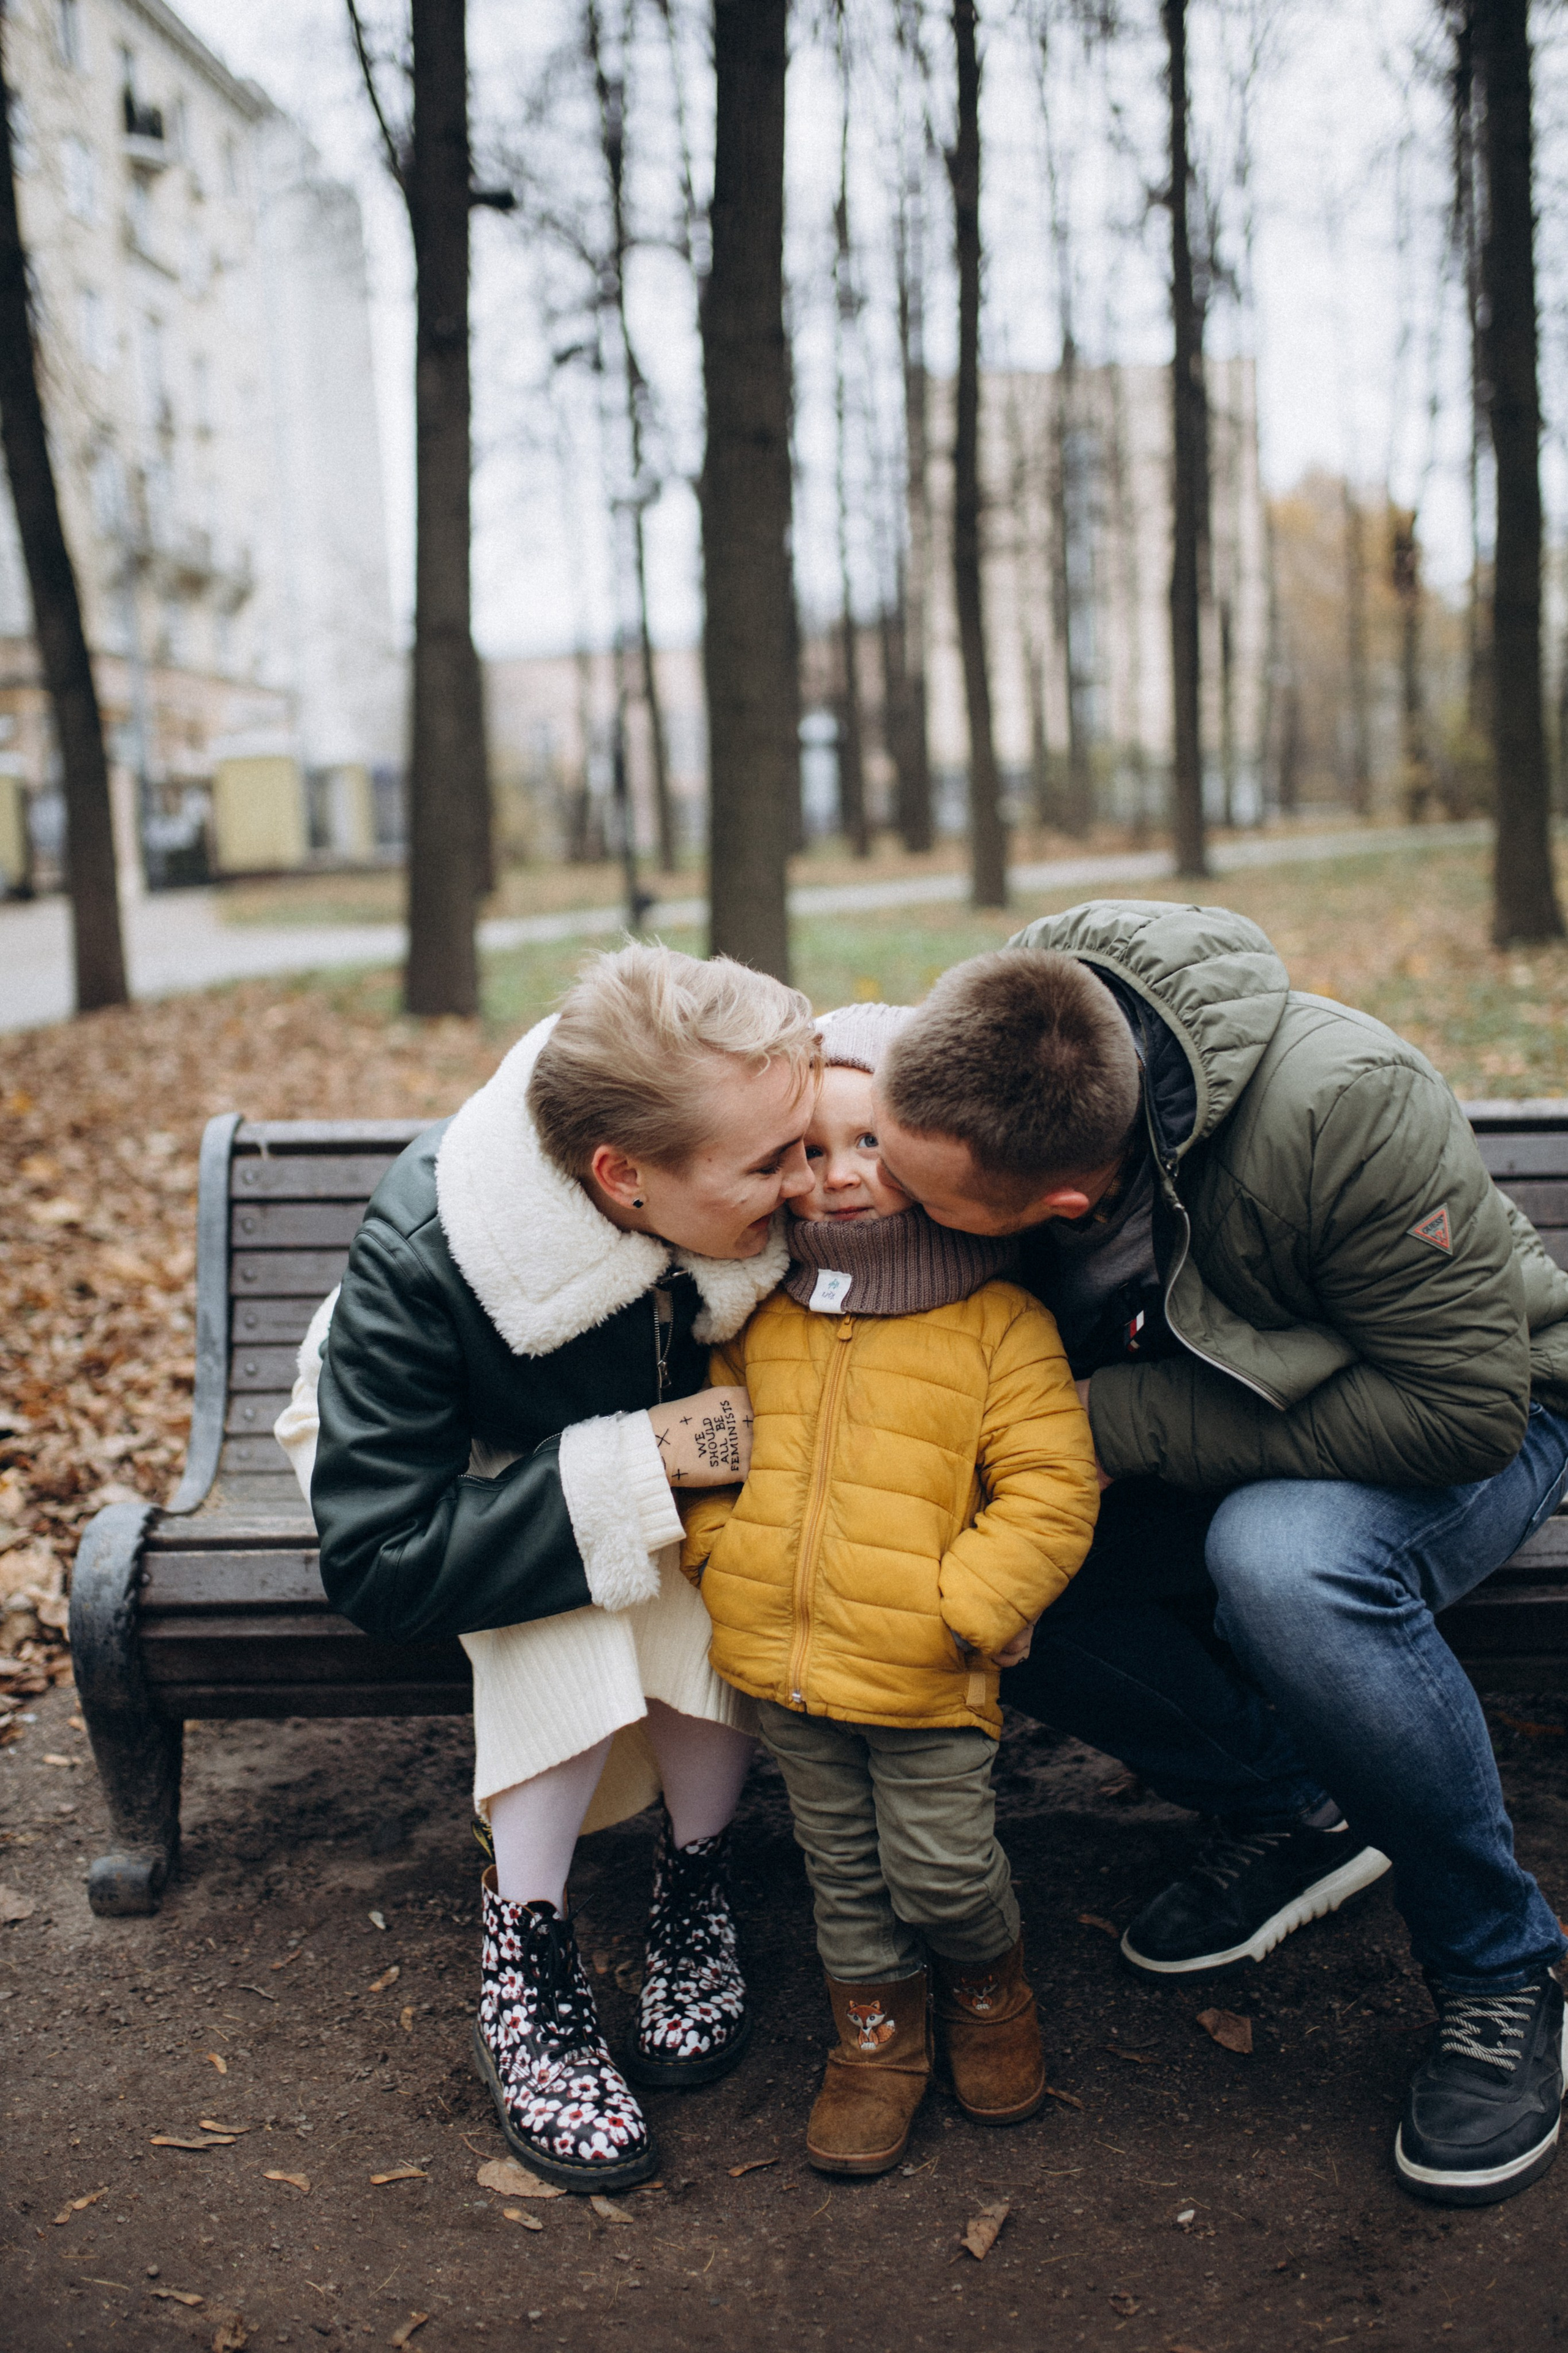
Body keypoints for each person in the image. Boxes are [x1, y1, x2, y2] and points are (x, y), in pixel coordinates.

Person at [870, 903, 1568, 2210]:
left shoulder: (1342, 1107)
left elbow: (1460, 1405)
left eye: (917, 1191)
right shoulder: (1013, 1035)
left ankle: (1497, 1967)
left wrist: (1104, 1429)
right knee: (970, 1562)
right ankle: (1290, 1807)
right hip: (1214, 1424)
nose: (885, 1196)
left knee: (1284, 1568)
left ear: (1066, 1204)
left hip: (1479, 1415)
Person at [274, 944, 820, 2191]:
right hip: (424, 1461)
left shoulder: (738, 1125)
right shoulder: (432, 1248)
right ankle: (526, 1945)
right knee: (565, 1580)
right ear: (623, 1176)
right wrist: (635, 1460)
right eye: (770, 1163)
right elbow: (384, 1555)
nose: (809, 1183)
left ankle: (697, 1875)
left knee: (686, 1559)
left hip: (660, 1439)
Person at [679, 1004, 1100, 2175]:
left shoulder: (996, 1321)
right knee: (845, 1875)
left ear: (919, 1154)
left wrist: (968, 1604)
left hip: (925, 1667)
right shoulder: (759, 1314)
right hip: (785, 1661)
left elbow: (1052, 1486)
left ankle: (989, 1991)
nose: (841, 1176)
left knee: (943, 1865)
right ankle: (874, 2042)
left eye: (869, 1146)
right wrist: (724, 1551)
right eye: (811, 1152)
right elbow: (713, 1445)